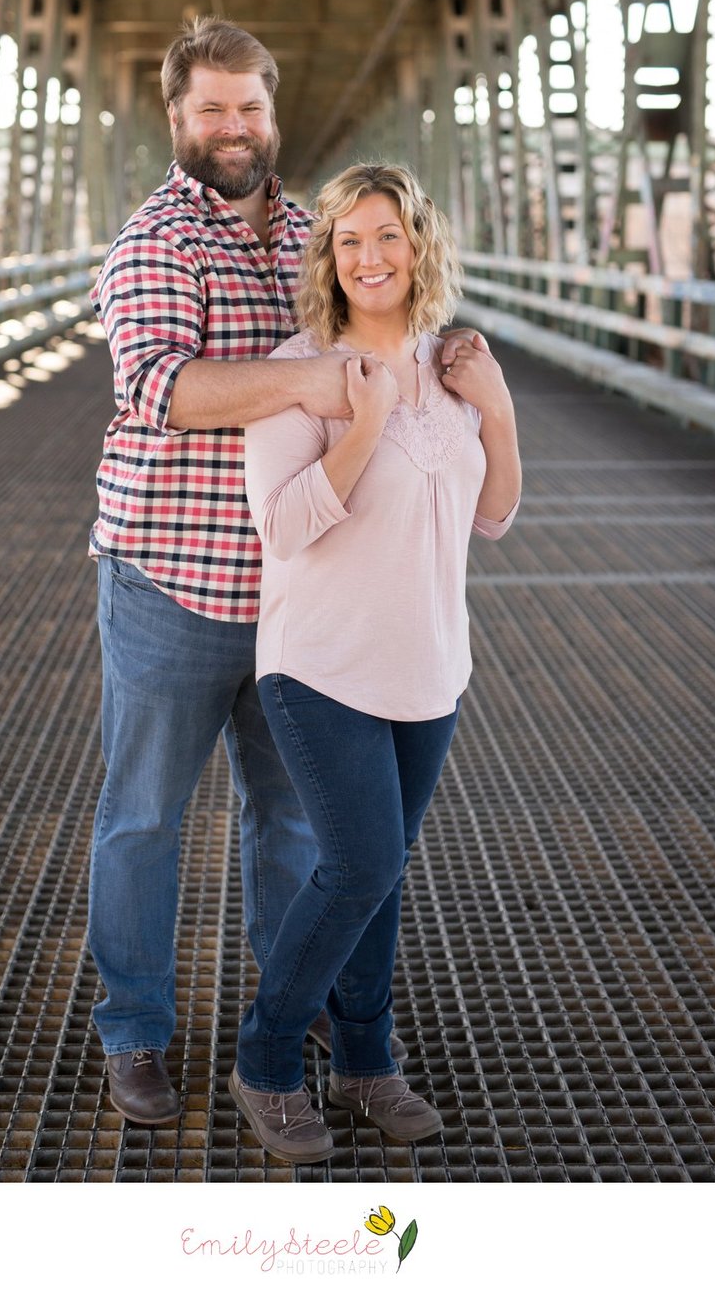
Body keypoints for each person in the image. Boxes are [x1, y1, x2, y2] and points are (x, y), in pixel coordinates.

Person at [89, 21, 433, 1125]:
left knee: (295, 823)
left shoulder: (307, 232)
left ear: (271, 113)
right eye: (209, 110)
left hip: (307, 591)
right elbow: (162, 389)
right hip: (174, 584)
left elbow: (382, 304)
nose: (231, 128)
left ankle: (303, 1001)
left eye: (248, 108)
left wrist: (455, 372)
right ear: (176, 118)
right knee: (144, 815)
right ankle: (136, 1029)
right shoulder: (153, 243)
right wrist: (312, 387)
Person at [228, 163, 521, 1163]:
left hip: (429, 666)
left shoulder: (457, 362)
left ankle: (364, 1061)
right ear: (328, 257)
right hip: (319, 664)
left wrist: (498, 409)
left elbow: (494, 514)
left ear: (418, 243)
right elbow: (287, 526)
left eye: (386, 234)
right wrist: (359, 422)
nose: (369, 257)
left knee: (381, 875)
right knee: (358, 864)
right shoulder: (301, 369)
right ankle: (266, 1062)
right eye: (349, 239)